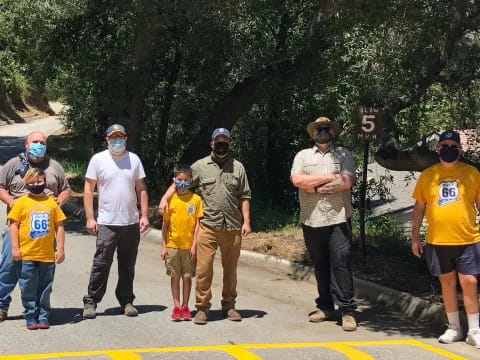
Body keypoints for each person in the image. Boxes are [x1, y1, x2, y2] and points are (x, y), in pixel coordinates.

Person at [159, 127, 251, 325]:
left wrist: (247, 221)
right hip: (207, 226)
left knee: (230, 270)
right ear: (211, 143)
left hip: (233, 226)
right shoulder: (200, 166)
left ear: (230, 143)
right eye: (218, 141)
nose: (221, 144)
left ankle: (229, 306)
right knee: (203, 269)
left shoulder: (239, 167)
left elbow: (244, 196)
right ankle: (202, 308)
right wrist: (165, 198)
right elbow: (181, 182)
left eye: (225, 141)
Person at [411, 130, 480, 348]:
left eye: (453, 146)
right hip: (438, 240)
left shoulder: (472, 173)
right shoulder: (428, 175)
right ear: (437, 149)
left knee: (469, 281)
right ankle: (454, 328)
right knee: (447, 282)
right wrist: (415, 237)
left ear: (459, 149)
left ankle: (475, 330)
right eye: (444, 146)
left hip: (468, 238)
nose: (448, 149)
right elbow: (419, 207)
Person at [290, 116, 357, 331]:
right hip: (312, 219)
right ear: (313, 133)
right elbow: (298, 181)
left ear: (333, 132)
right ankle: (325, 307)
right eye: (319, 129)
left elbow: (346, 182)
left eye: (327, 128)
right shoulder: (303, 156)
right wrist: (330, 177)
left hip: (339, 218)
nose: (323, 131)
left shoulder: (344, 154)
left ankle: (347, 311)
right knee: (320, 264)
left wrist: (313, 184)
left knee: (341, 261)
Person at [0, 131, 71, 322]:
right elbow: (1, 186)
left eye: (42, 142)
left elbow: (66, 190)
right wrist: (10, 201)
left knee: (41, 274)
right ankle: (1, 305)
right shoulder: (13, 164)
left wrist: (59, 202)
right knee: (8, 268)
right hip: (17, 226)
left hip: (44, 231)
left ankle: (40, 310)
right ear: (26, 144)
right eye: (35, 142)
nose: (38, 145)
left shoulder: (54, 166)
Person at [82, 124, 149, 319]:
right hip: (107, 222)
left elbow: (141, 188)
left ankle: (127, 301)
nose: (117, 140)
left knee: (128, 264)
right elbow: (88, 189)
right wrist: (89, 217)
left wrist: (144, 214)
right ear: (107, 139)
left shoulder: (134, 160)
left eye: (120, 137)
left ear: (126, 138)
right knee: (101, 263)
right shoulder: (98, 160)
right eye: (113, 137)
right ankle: (91, 302)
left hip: (130, 222)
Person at [7, 168, 66, 330]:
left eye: (39, 181)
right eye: (31, 182)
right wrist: (15, 248)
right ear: (26, 184)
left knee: (45, 287)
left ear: (45, 181)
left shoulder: (51, 203)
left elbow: (59, 226)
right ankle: (31, 315)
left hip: (46, 254)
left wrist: (60, 249)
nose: (35, 185)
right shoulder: (21, 202)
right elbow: (13, 226)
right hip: (26, 254)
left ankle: (43, 315)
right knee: (28, 286)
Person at [161, 164, 203, 321]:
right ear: (174, 180)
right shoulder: (170, 200)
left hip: (188, 247)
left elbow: (198, 224)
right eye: (179, 180)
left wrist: (194, 245)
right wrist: (164, 246)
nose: (182, 183)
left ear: (191, 180)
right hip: (172, 245)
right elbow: (165, 225)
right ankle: (176, 306)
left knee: (187, 277)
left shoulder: (196, 199)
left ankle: (185, 306)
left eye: (186, 180)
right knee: (175, 276)